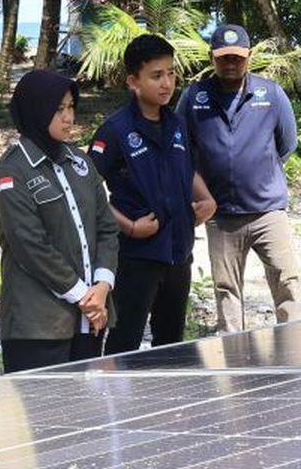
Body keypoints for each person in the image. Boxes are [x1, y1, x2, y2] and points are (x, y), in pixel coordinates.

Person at [89, 34, 217, 355]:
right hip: (136, 257)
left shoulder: (177, 124)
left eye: (171, 73)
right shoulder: (115, 131)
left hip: (178, 251)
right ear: (133, 81)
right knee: (124, 343)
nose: (167, 83)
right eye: (156, 75)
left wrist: (207, 199)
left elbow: (187, 169)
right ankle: (118, 403)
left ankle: (170, 403)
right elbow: (86, 191)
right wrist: (129, 226)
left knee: (172, 342)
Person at [176, 24, 301, 333]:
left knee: (286, 281)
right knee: (226, 289)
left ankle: (296, 345)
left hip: (268, 212)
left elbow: (287, 144)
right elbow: (181, 147)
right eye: (223, 58)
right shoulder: (194, 97)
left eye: (237, 57)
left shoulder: (271, 94)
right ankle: (234, 356)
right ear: (212, 58)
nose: (230, 64)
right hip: (221, 215)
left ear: (248, 57)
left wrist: (259, 172)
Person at [0, 70, 120, 371]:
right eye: (58, 109)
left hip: (91, 317)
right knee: (46, 414)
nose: (68, 118)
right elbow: (29, 245)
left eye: (71, 107)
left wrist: (102, 287)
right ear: (36, 111)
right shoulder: (14, 170)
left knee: (88, 410)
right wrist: (83, 297)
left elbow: (106, 227)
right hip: (39, 326)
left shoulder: (80, 161)